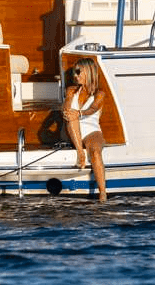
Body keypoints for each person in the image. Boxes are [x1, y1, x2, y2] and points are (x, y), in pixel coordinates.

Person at [63, 57, 107, 202]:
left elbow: (93, 109)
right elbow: (67, 104)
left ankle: (102, 193)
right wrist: (67, 110)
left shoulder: (100, 94)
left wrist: (79, 113)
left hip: (91, 130)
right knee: (71, 116)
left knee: (95, 151)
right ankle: (80, 153)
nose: (75, 76)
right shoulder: (71, 90)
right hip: (72, 129)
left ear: (88, 72)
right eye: (74, 73)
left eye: (78, 72)